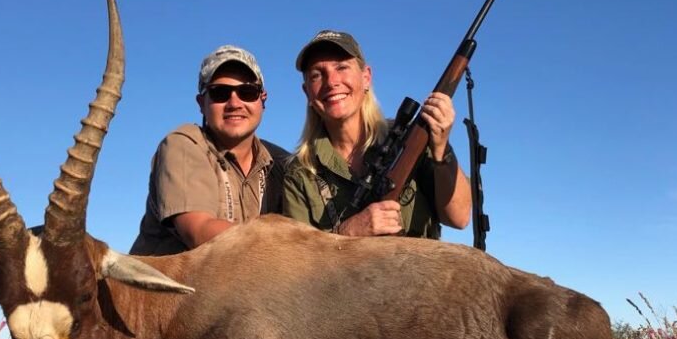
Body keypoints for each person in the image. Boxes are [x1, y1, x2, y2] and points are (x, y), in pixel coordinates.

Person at [282, 30, 471, 238]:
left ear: (366, 77)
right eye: (317, 75)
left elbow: (459, 218)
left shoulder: (410, 139)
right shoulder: (300, 173)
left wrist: (441, 148)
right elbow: (299, 261)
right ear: (307, 91)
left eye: (342, 67)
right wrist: (347, 233)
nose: (331, 82)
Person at [131, 45, 288, 255]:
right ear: (201, 103)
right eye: (220, 93)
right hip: (171, 285)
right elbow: (199, 232)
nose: (234, 103)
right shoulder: (184, 145)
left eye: (247, 92)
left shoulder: (280, 163)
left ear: (263, 100)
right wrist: (293, 245)